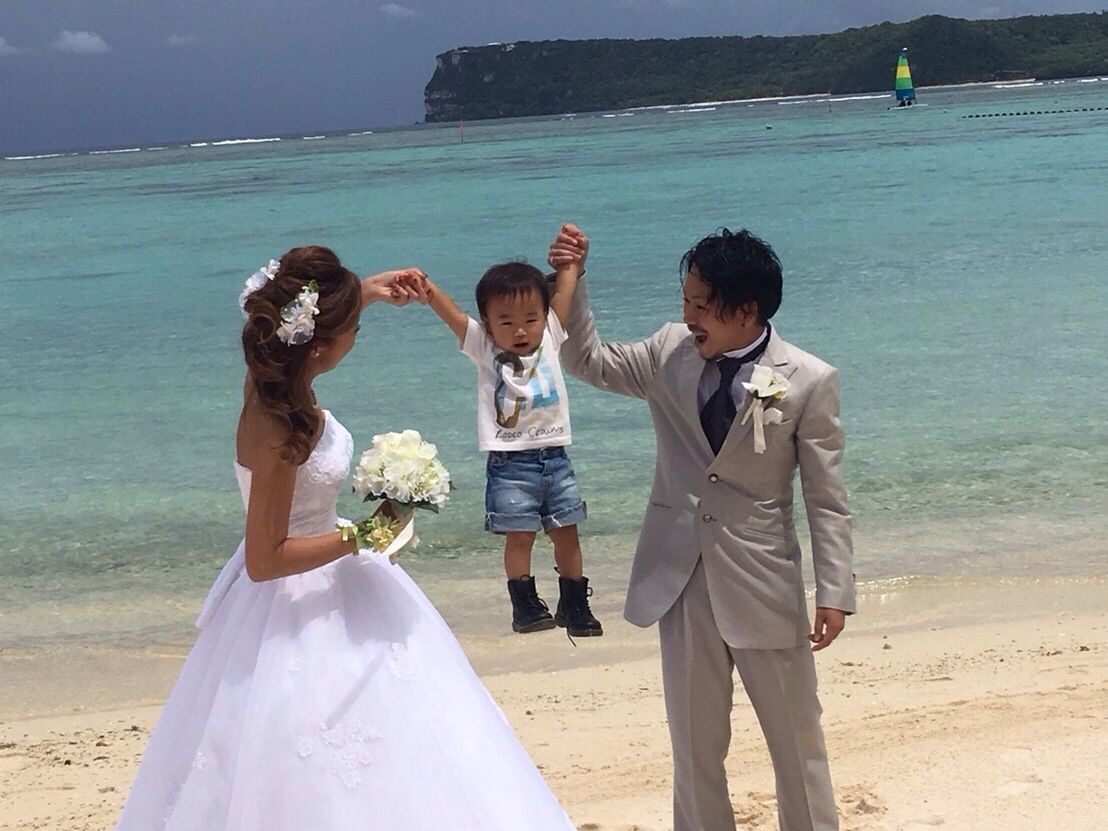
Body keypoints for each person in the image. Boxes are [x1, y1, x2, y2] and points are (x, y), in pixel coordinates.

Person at [115, 246, 577, 831]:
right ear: (318, 344)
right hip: (290, 599)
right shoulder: (280, 425)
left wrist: (370, 291)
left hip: (337, 578)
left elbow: (302, 324)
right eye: (353, 328)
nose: (357, 335)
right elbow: (264, 560)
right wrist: (367, 532)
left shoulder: (270, 383)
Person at [549, 224, 856, 831]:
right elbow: (585, 360)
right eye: (685, 300)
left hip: (763, 581)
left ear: (747, 311)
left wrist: (835, 590)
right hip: (681, 580)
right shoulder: (668, 351)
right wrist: (572, 279)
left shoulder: (809, 379)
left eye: (701, 305)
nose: (688, 316)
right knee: (694, 749)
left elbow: (826, 497)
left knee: (797, 744)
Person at [397, 256, 602, 637]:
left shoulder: (552, 335)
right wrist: (427, 289)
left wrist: (571, 264)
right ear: (488, 323)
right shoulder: (483, 347)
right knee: (519, 535)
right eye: (506, 322)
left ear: (544, 316)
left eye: (530, 319)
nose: (520, 330)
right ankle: (525, 606)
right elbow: (453, 315)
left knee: (567, 531)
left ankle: (575, 604)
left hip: (556, 459)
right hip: (510, 465)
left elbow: (565, 292)